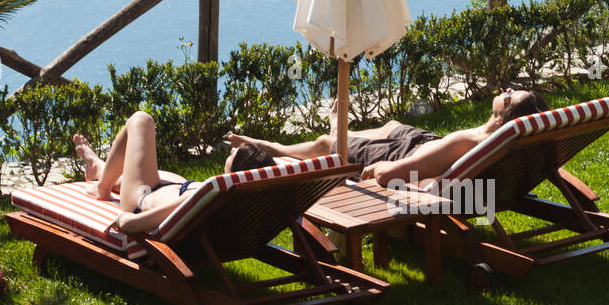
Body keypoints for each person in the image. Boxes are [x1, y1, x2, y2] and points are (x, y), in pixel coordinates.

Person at [227, 87, 549, 190]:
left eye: (509, 95)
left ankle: (276, 148)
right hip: (419, 140)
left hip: (405, 156)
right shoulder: (514, 142)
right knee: (392, 124)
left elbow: (392, 175)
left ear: (503, 113)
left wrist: (379, 170)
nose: (505, 91)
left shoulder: (467, 144)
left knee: (331, 145)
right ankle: (341, 130)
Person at [73, 112, 274, 234]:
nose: (231, 150)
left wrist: (123, 221)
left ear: (237, 173)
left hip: (142, 198)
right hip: (176, 189)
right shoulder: (243, 203)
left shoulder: (207, 196)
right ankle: (99, 168)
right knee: (150, 174)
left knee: (141, 120)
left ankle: (102, 187)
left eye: (235, 154)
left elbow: (134, 223)